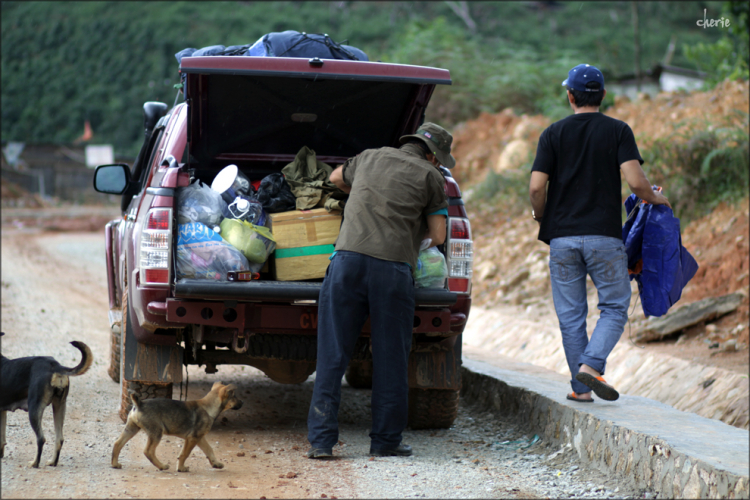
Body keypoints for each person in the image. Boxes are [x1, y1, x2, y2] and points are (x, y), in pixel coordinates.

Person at [306, 123, 454, 458]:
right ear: (432, 155)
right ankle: (385, 442)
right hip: (392, 271)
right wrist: (414, 239)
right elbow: (439, 235)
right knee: (390, 357)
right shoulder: (432, 177)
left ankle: (322, 443)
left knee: (332, 355)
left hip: (346, 264)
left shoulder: (369, 157)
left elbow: (335, 179)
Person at [529, 64, 671, 403]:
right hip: (604, 240)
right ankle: (592, 366)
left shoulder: (552, 133)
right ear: (604, 95)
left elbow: (536, 188)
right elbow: (637, 182)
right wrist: (658, 197)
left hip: (562, 241)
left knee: (571, 315)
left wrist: (541, 216)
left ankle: (581, 389)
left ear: (570, 96)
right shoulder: (618, 130)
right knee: (615, 307)